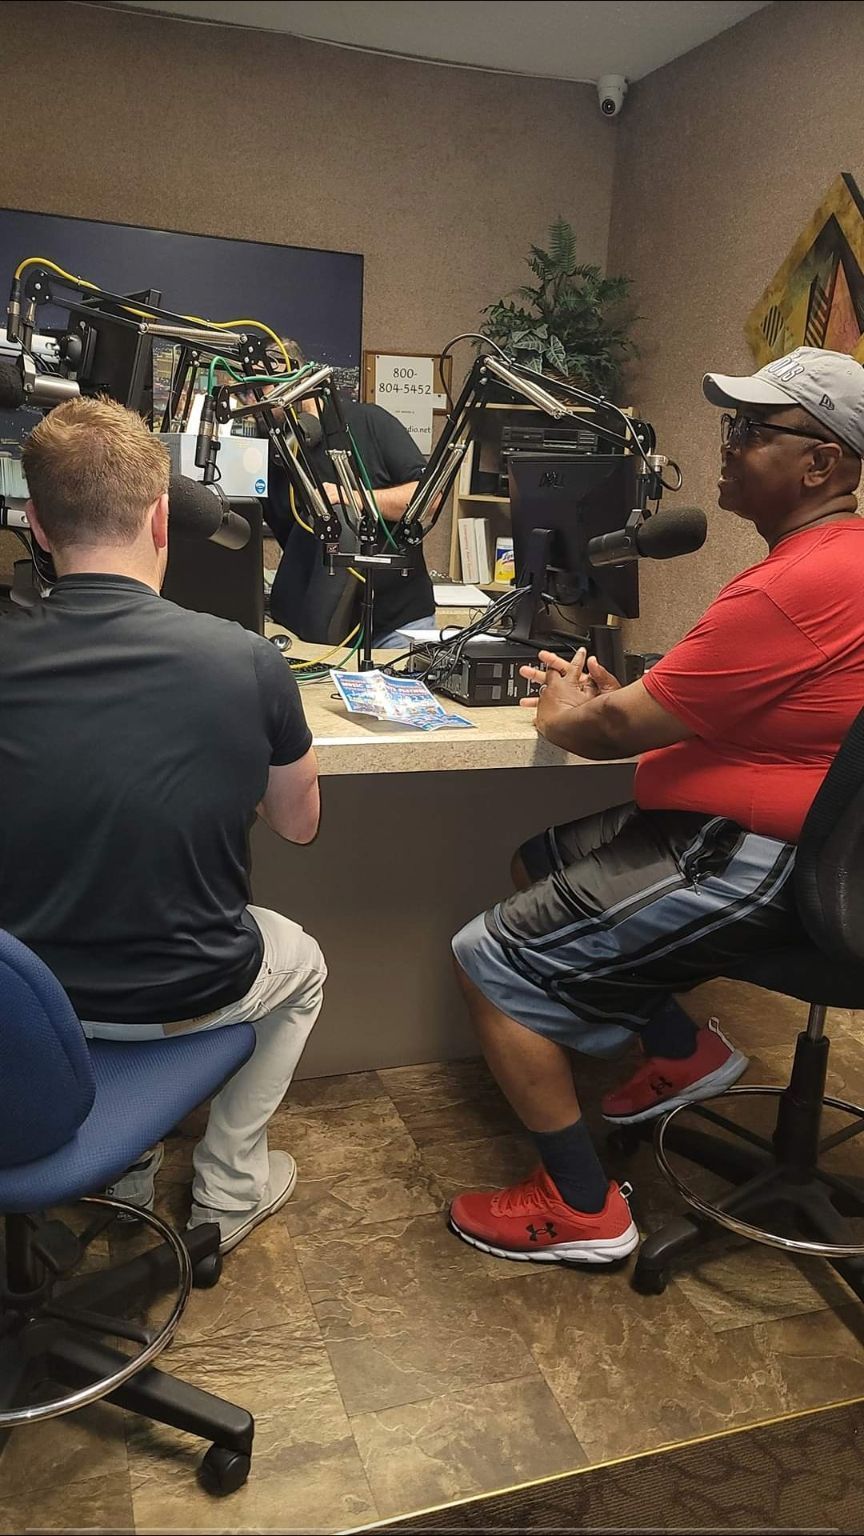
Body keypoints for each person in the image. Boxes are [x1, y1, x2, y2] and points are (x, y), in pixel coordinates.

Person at [449, 346, 864, 1266]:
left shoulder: (797, 585)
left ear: (821, 464)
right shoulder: (837, 563)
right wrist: (620, 699)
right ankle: (680, 1052)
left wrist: (572, 712)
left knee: (488, 960)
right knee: (539, 860)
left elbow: (605, 738)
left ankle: (581, 1205)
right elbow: (737, 703)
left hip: (765, 851)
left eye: (752, 430)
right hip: (794, 832)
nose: (727, 445)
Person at [0, 396, 327, 1253]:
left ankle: (127, 1166)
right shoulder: (248, 661)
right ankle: (227, 1188)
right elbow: (299, 826)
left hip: (26, 1006)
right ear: (160, 518)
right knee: (303, 960)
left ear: (35, 522)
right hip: (184, 993)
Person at [258, 340, 435, 647]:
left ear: (296, 378)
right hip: (319, 631)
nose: (257, 397)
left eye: (263, 385)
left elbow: (427, 501)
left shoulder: (369, 422)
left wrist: (349, 497)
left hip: (395, 625)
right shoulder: (278, 454)